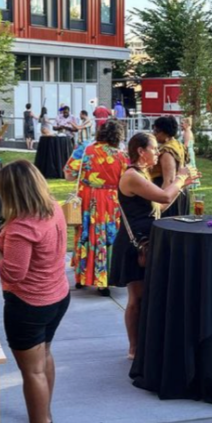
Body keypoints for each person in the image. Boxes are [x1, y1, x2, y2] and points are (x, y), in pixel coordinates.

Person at [0, 161, 71, 423]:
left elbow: (14, 273)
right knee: (44, 356)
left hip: (29, 304)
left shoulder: (22, 227)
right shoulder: (52, 208)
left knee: (32, 372)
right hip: (57, 296)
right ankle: (44, 415)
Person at [111, 132, 196, 360]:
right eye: (155, 149)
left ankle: (145, 345)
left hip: (147, 240)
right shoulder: (131, 175)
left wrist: (181, 185)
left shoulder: (142, 173)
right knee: (137, 298)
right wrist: (179, 178)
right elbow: (164, 198)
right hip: (136, 245)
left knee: (147, 295)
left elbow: (156, 209)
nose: (158, 153)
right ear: (141, 151)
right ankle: (134, 349)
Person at [63, 120, 128, 296]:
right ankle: (103, 281)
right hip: (110, 201)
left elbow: (69, 174)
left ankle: (81, 277)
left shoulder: (86, 150)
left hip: (87, 200)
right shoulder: (122, 156)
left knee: (85, 234)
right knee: (106, 237)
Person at [150, 116, 189, 218]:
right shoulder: (177, 144)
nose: (154, 133)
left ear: (164, 132)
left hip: (170, 194)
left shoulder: (167, 151)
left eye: (156, 130)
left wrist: (160, 202)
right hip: (178, 190)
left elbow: (169, 180)